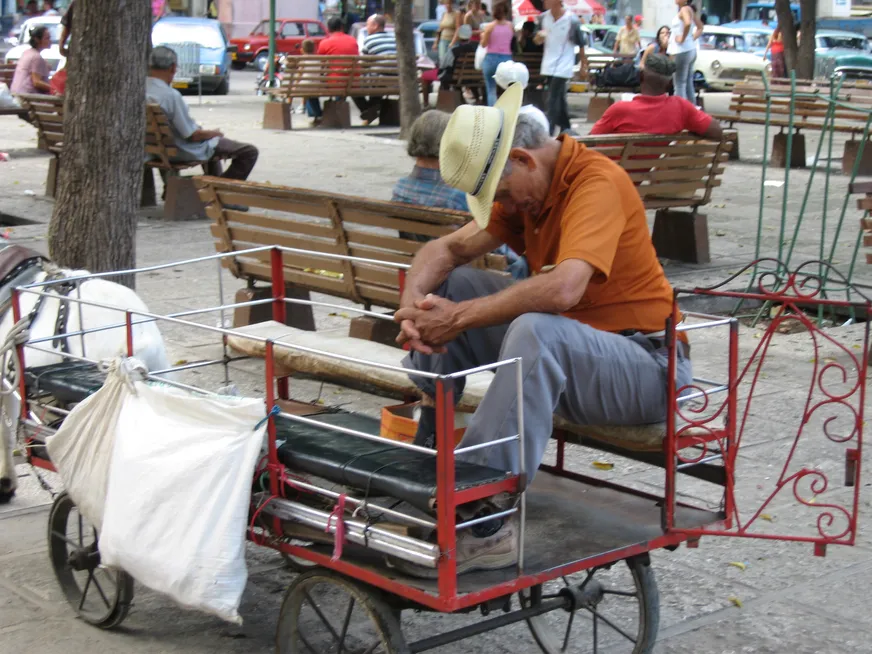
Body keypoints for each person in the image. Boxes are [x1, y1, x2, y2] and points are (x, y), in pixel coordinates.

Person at [391, 83, 692, 576]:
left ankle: (486, 522)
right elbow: (442, 252)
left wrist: (458, 319)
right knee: (460, 282)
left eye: (504, 194)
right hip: (578, 358)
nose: (506, 205)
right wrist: (414, 307)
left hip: (649, 369)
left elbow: (563, 291)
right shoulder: (529, 185)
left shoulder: (597, 183)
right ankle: (430, 436)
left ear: (524, 160)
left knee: (537, 327)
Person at [146, 46, 258, 181]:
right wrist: (214, 133)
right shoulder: (170, 95)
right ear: (173, 68)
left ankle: (212, 185)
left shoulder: (140, 88)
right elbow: (192, 136)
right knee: (249, 151)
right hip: (180, 150)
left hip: (153, 149)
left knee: (212, 144)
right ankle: (220, 189)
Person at [590, 54, 721, 139]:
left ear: (640, 77)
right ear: (670, 83)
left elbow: (589, 142)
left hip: (615, 176)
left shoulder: (619, 110)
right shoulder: (681, 107)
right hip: (653, 176)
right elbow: (716, 131)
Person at [534, 0, 580, 136]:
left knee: (553, 97)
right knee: (560, 98)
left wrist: (584, 65)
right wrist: (539, 37)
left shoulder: (572, 19)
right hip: (548, 64)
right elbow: (536, 41)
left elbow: (581, 42)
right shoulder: (543, 18)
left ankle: (549, 131)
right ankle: (566, 128)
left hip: (564, 64)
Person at [667, 0, 702, 102]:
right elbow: (700, 27)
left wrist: (682, 38)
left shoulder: (684, 9)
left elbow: (687, 23)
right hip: (689, 49)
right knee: (687, 83)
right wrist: (690, 39)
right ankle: (692, 109)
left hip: (681, 50)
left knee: (679, 84)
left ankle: (681, 111)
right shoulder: (690, 9)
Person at [480, 1, 513, 106]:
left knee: (491, 89)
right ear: (506, 12)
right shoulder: (510, 26)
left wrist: (482, 36)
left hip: (491, 59)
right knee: (507, 89)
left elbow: (483, 44)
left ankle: (493, 113)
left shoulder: (489, 27)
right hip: (506, 59)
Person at [438, 24, 480, 103]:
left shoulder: (454, 50)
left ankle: (449, 101)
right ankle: (477, 99)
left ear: (459, 35)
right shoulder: (477, 48)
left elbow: (444, 64)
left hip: (456, 78)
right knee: (468, 76)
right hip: (475, 77)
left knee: (445, 75)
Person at [10, 25, 51, 95]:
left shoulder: (27, 53)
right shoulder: (36, 57)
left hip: (17, 94)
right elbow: (36, 82)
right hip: (28, 98)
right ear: (37, 40)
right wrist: (54, 88)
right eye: (47, 38)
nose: (50, 41)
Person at [300, 40, 323, 126]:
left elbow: (299, 74)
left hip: (306, 86)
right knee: (311, 91)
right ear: (315, 49)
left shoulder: (302, 60)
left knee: (307, 90)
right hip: (317, 85)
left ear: (302, 50)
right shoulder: (318, 60)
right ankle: (317, 115)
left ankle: (316, 114)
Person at [435, 0, 463, 66]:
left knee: (451, 61)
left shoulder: (457, 14)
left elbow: (458, 28)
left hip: (452, 40)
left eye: (450, 3)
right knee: (442, 60)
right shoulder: (444, 14)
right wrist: (436, 42)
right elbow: (440, 29)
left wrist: (452, 42)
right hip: (443, 39)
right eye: (446, 3)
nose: (448, 5)